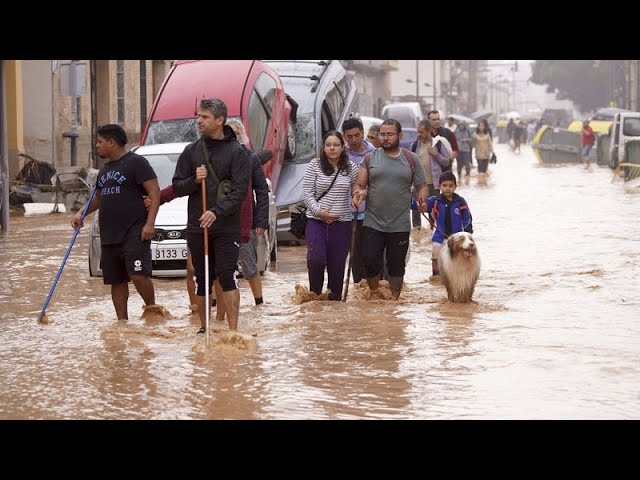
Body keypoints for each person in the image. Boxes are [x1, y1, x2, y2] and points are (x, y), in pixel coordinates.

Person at [172, 98, 250, 334]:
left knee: (227, 274)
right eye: (198, 116)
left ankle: (233, 331)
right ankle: (204, 329)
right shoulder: (191, 151)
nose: (199, 121)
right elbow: (177, 186)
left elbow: (239, 193)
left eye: (204, 117)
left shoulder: (237, 152)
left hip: (226, 226)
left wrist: (216, 212)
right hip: (198, 226)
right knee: (202, 277)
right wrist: (194, 180)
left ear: (219, 120)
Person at [71, 124, 161, 320]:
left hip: (135, 230)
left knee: (138, 274)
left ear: (112, 142)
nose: (97, 146)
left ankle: (152, 310)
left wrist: (150, 224)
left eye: (100, 142)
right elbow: (98, 198)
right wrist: (80, 213)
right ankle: (122, 323)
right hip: (110, 233)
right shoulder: (104, 171)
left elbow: (155, 192)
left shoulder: (137, 163)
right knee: (116, 280)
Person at [352, 119, 428, 300]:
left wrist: (422, 200)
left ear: (399, 136)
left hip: (399, 223)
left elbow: (422, 185)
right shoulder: (370, 158)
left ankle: (394, 300)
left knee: (396, 266)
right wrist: (358, 193)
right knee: (370, 261)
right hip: (373, 221)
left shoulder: (411, 159)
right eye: (382, 134)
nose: (385, 138)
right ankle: (375, 294)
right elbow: (359, 183)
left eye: (389, 134)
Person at [218, 119, 270, 317]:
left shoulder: (250, 158)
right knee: (220, 267)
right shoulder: (218, 156)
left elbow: (261, 190)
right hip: (222, 219)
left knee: (248, 263)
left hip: (246, 220)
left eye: (236, 132)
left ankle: (259, 303)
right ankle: (217, 306)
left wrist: (261, 221)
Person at [302, 130, 359, 300]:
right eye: (328, 145)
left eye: (336, 145)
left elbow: (358, 187)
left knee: (337, 266)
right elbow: (307, 194)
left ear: (343, 147)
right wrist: (320, 212)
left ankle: (334, 303)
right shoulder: (314, 165)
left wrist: (356, 197)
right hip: (316, 221)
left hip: (342, 224)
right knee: (316, 260)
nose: (332, 148)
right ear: (323, 147)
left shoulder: (351, 168)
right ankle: (315, 297)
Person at [342, 117, 375, 285]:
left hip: (372, 213)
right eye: (349, 137)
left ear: (362, 133)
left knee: (372, 254)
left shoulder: (374, 154)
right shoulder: (341, 156)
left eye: (357, 135)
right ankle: (359, 288)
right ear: (344, 136)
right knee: (355, 255)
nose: (354, 140)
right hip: (349, 214)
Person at [425, 171, 473, 278]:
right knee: (435, 257)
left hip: (457, 238)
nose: (448, 188)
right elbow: (423, 206)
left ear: (456, 186)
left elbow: (467, 218)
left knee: (459, 259)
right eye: (445, 185)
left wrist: (463, 232)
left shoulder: (460, 201)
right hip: (439, 236)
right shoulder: (435, 200)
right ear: (439, 187)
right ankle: (436, 277)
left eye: (451, 186)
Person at [410, 119, 450, 229]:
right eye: (418, 131)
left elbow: (446, 161)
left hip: (434, 184)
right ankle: (417, 236)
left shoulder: (437, 143)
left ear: (429, 131)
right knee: (416, 210)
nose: (419, 134)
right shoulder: (414, 145)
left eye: (421, 132)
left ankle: (434, 233)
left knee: (433, 211)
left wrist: (436, 154)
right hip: (418, 183)